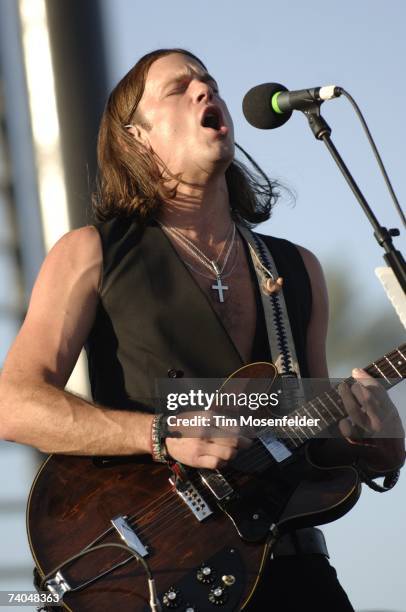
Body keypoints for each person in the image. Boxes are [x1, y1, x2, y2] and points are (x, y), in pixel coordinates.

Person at [0, 48, 404, 611]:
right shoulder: (92, 254)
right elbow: (13, 404)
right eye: (178, 87)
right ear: (137, 136)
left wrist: (376, 444)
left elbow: (313, 436)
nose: (204, 91)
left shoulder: (295, 267)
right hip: (161, 567)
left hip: (292, 564)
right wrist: (160, 434)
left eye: (209, 81)